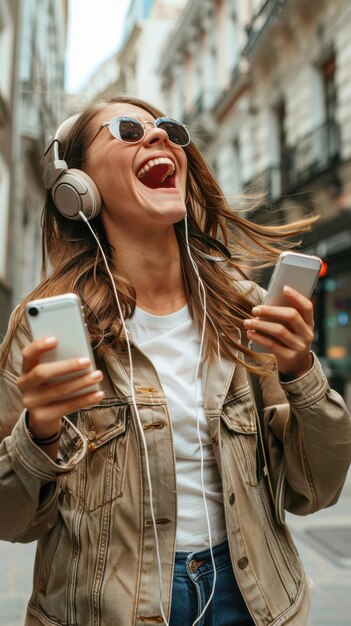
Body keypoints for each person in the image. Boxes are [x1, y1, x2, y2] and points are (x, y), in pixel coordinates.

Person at [0, 95, 350, 626]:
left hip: (255, 605)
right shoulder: (45, 326)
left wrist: (301, 370)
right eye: (127, 130)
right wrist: (41, 433)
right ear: (79, 188)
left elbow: (316, 490)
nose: (160, 136)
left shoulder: (243, 309)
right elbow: (13, 520)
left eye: (168, 128)